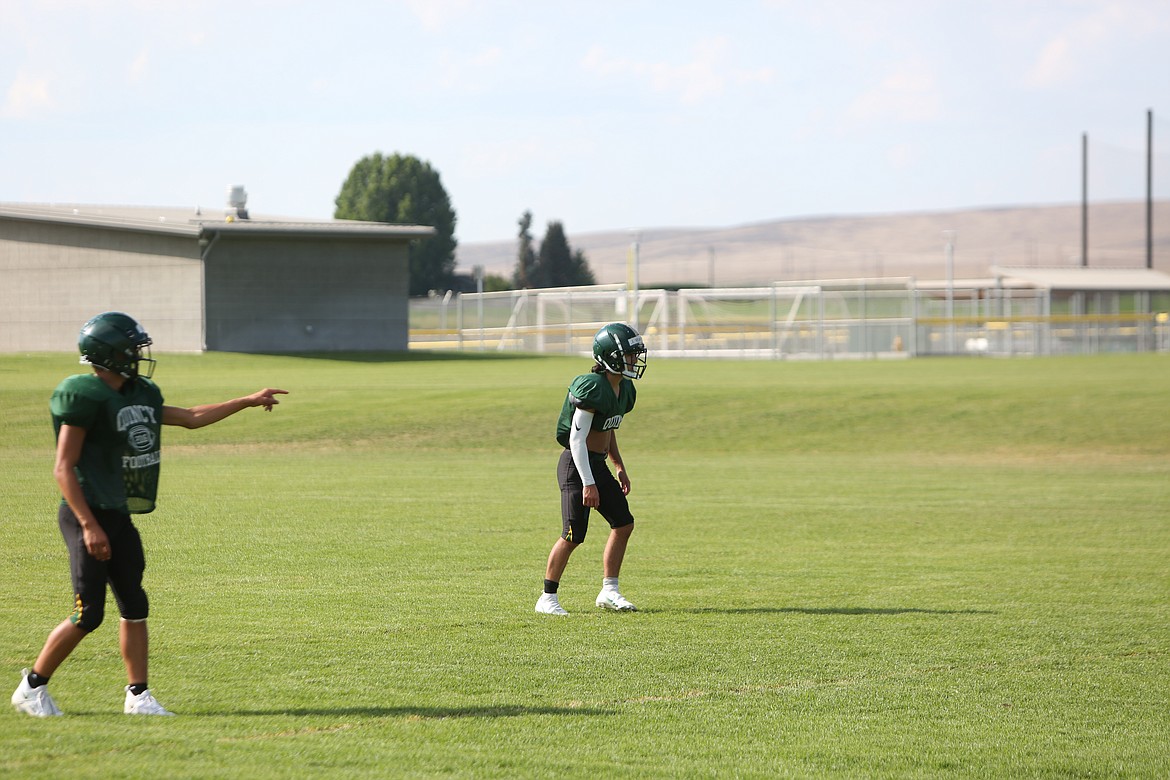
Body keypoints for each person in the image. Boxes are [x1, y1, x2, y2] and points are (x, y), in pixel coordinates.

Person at [11, 312, 288, 717]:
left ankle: (138, 696)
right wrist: (89, 525)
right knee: (88, 613)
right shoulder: (81, 394)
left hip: (118, 513)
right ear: (113, 353)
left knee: (134, 604)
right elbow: (62, 466)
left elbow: (190, 417)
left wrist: (246, 400)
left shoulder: (138, 392)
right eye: (133, 348)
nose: (141, 355)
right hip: (85, 513)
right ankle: (32, 687)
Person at [536, 322, 648, 616]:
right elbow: (576, 439)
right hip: (577, 465)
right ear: (611, 356)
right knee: (573, 533)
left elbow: (608, 429)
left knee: (623, 523)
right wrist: (587, 482)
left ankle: (609, 590)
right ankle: (547, 598)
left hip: (596, 465)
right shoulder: (592, 387)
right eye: (629, 355)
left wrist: (619, 465)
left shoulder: (623, 389)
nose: (634, 360)